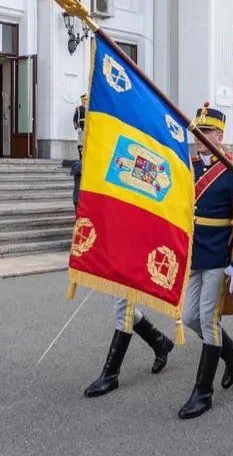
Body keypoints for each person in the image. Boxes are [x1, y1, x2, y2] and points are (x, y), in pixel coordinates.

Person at [177, 102, 233, 420]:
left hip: (218, 255)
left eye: (206, 131)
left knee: (208, 321)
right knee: (189, 318)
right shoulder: (189, 167)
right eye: (197, 132)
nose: (199, 138)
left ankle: (202, 392)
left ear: (220, 135)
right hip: (193, 253)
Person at [73, 154, 174, 399]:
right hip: (115, 246)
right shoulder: (112, 165)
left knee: (122, 307)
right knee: (120, 305)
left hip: (136, 249)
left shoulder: (142, 167)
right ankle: (159, 342)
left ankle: (111, 374)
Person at [73, 94, 87, 159]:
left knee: (86, 142)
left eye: (86, 99)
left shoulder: (88, 109)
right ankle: (80, 156)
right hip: (81, 127)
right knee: (80, 142)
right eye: (85, 99)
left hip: (87, 127)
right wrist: (77, 127)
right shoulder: (79, 109)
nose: (86, 101)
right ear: (82, 100)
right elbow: (75, 119)